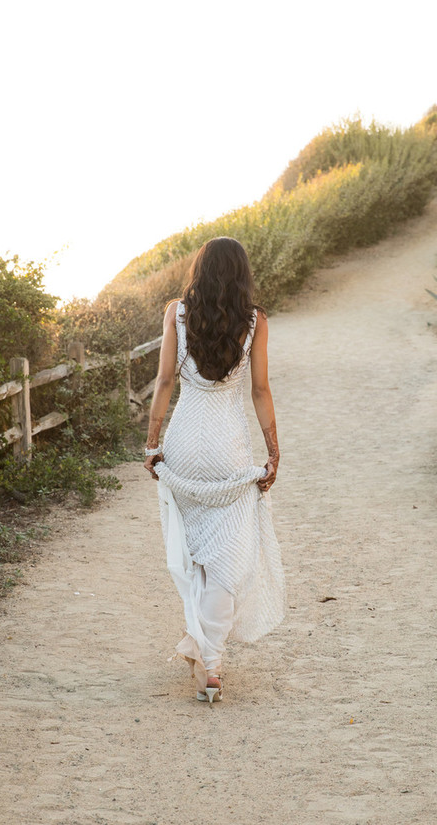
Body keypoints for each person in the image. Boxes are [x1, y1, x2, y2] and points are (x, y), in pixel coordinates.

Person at [144, 236, 286, 703]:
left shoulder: (176, 314)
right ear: (242, 274)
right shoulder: (254, 321)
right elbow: (260, 391)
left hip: (184, 442)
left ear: (199, 271)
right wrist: (273, 451)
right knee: (227, 558)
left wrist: (151, 443)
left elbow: (165, 381)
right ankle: (212, 666)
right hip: (227, 446)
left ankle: (201, 648)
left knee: (193, 549)